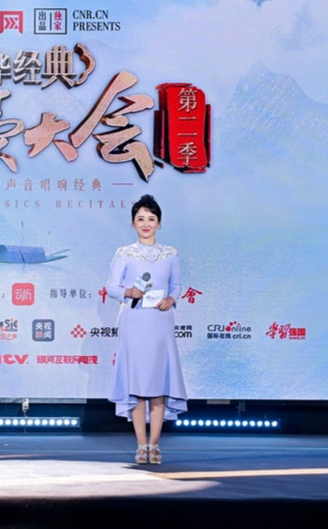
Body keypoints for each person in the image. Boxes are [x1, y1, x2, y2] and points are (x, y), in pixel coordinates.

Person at [107, 194, 188, 465]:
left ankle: (155, 444)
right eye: (140, 219)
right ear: (133, 223)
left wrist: (171, 299)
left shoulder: (170, 254)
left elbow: (177, 286)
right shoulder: (124, 253)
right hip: (134, 320)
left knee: (159, 383)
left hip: (160, 320)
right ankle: (141, 445)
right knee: (137, 384)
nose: (146, 224)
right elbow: (112, 287)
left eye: (151, 219)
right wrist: (128, 291)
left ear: (159, 223)